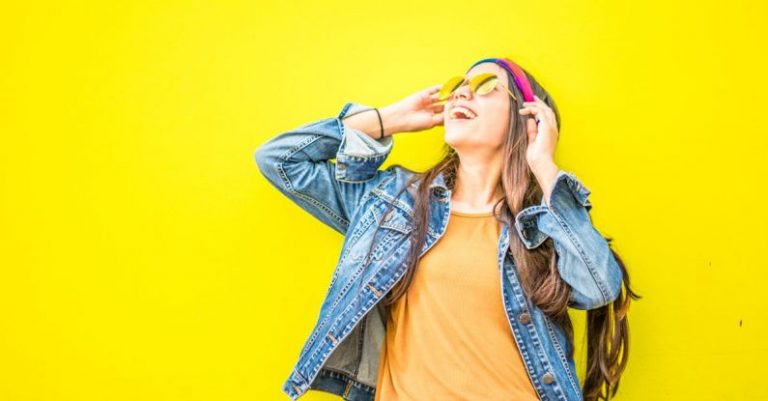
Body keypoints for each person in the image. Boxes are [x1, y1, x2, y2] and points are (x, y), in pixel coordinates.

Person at [254, 56, 641, 401]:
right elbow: (280, 160)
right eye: (457, 87)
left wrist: (544, 165)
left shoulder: (540, 224)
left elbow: (599, 287)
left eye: (485, 87)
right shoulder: (393, 202)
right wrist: (389, 119)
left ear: (529, 119)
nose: (461, 95)